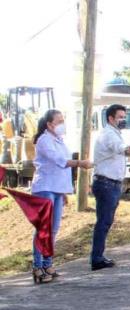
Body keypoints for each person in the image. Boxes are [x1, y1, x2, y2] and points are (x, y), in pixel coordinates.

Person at [29, 109, 93, 283]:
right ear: (49, 124)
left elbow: (62, 167)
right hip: (45, 187)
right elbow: (59, 160)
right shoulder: (43, 140)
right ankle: (37, 266)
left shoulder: (60, 141)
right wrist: (80, 163)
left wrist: (64, 192)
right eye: (59, 121)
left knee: (54, 229)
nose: (62, 124)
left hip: (58, 188)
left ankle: (48, 263)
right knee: (43, 229)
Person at [90, 104, 130, 271]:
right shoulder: (109, 134)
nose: (123, 120)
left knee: (106, 221)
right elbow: (123, 150)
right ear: (111, 118)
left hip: (113, 183)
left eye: (124, 117)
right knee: (103, 222)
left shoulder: (115, 133)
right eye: (120, 117)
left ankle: (98, 256)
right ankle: (96, 258)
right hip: (106, 183)